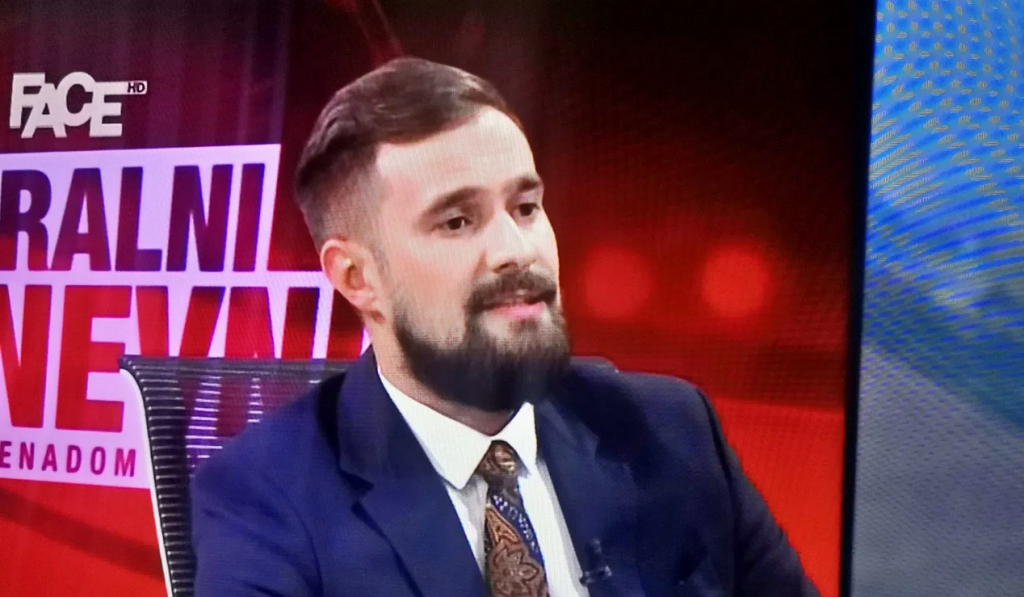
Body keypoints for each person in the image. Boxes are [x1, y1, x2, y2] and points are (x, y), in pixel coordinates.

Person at [190, 56, 821, 597]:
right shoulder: (265, 498)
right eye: (456, 221)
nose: (516, 251)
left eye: (525, 207)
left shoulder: (672, 430)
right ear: (359, 278)